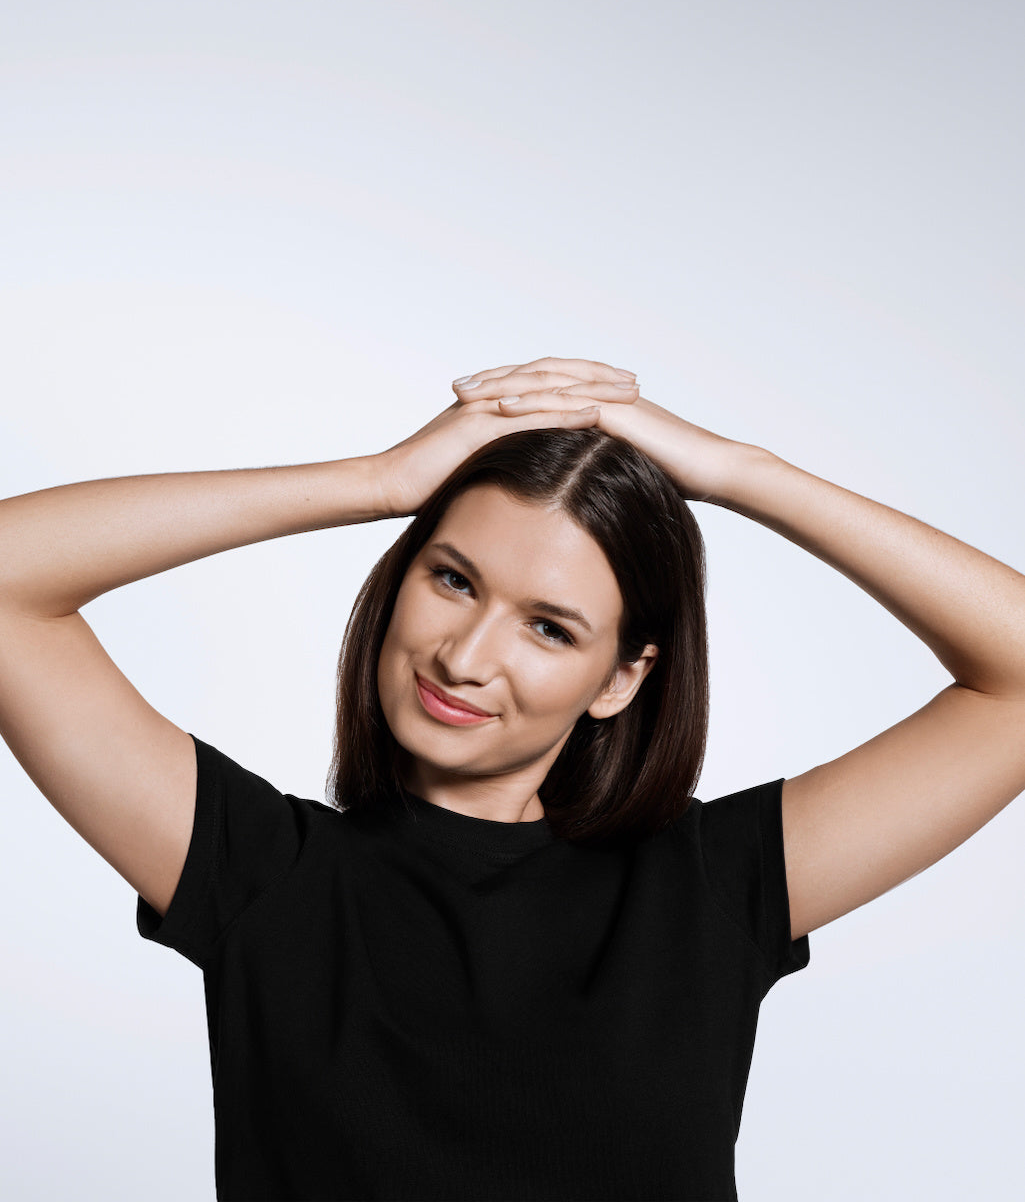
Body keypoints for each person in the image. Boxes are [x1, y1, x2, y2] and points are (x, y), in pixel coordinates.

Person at [1, 356, 1023, 1202]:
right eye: (451, 577)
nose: (466, 654)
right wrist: (377, 481)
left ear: (622, 676)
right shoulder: (260, 871)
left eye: (547, 625)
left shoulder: (708, 886)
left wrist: (734, 469)